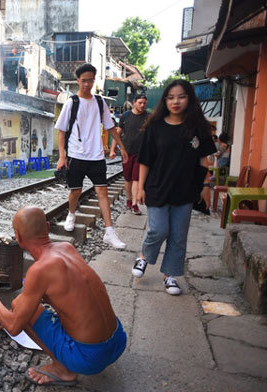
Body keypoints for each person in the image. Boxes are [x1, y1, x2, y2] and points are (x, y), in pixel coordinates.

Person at [0, 207, 126, 386]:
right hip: (118, 340)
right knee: (23, 306)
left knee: (18, 305)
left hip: (90, 359)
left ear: (17, 236)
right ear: (47, 227)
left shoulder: (39, 271)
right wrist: (8, 313)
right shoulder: (67, 247)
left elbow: (14, 326)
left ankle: (62, 370)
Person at [132, 80, 215, 295]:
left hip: (186, 189)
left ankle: (170, 276)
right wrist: (140, 187)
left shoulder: (197, 127)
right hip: (157, 187)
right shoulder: (154, 126)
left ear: (189, 98)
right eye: (170, 97)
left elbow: (204, 160)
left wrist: (206, 186)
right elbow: (145, 160)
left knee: (178, 235)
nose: (175, 101)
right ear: (164, 100)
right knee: (159, 229)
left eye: (181, 96)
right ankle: (144, 256)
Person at [55, 63, 129, 249]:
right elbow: (61, 132)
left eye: (91, 80)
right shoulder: (72, 102)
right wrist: (62, 157)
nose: (87, 84)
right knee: (76, 191)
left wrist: (122, 147)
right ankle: (71, 214)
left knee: (102, 191)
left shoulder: (99, 102)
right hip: (76, 154)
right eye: (84, 80)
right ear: (78, 81)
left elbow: (110, 126)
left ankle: (110, 232)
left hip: (96, 155)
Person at [109, 94, 149, 215]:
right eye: (140, 103)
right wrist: (112, 149)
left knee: (136, 178)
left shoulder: (148, 117)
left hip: (141, 153)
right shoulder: (126, 116)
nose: (142, 105)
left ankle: (134, 204)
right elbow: (118, 133)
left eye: (144, 103)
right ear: (135, 102)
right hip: (126, 152)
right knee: (128, 179)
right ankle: (129, 199)